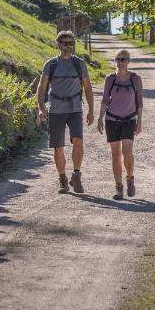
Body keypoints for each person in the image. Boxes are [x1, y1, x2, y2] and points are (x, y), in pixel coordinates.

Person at [37, 30, 94, 194]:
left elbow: (88, 88)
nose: (68, 46)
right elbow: (41, 88)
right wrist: (41, 108)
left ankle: (76, 175)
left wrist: (91, 110)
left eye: (71, 43)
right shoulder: (51, 64)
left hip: (75, 109)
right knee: (58, 147)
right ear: (58, 44)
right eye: (65, 43)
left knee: (78, 141)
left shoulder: (79, 64)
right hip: (55, 110)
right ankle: (62, 179)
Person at [97, 48, 143, 200]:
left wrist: (139, 122)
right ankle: (118, 187)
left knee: (127, 151)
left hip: (129, 119)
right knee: (115, 155)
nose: (120, 62)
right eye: (118, 59)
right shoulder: (110, 79)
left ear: (128, 61)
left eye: (123, 59)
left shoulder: (135, 79)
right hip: (112, 120)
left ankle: (130, 179)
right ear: (114, 61)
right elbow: (105, 100)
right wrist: (99, 118)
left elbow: (139, 103)